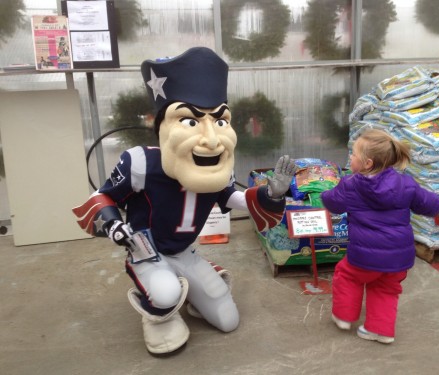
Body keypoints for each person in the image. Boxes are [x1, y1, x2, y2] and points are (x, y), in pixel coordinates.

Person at [72, 47, 297, 355]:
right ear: (163, 128)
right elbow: (103, 195)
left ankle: (189, 291)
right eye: (191, 121)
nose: (212, 139)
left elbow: (232, 197)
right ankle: (156, 311)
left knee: (228, 319)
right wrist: (113, 225)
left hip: (184, 250)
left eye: (220, 122)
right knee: (165, 294)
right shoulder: (140, 163)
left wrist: (272, 195)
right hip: (146, 249)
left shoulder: (217, 168)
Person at [320, 128, 439, 344]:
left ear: (367, 163)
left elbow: (333, 203)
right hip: (399, 258)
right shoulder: (406, 183)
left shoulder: (351, 184)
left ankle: (344, 317)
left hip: (364, 256)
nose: (350, 157)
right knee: (386, 288)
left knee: (347, 276)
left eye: (354, 154)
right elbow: (432, 205)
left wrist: (325, 193)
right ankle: (380, 330)